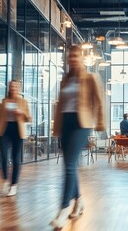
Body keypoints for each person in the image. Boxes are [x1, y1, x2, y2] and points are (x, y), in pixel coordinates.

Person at [50, 45, 105, 229]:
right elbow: (60, 105)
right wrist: (56, 127)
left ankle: (63, 209)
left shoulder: (91, 78)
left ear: (82, 58)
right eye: (70, 56)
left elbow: (99, 101)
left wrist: (100, 123)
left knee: (70, 165)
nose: (73, 59)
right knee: (69, 165)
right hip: (66, 123)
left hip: (82, 125)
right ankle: (79, 200)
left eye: (76, 56)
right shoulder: (65, 80)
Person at [0, 80, 31, 197]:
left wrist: (21, 113)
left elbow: (29, 118)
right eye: (11, 86)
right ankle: (5, 180)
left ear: (19, 88)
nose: (13, 88)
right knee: (3, 156)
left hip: (18, 131)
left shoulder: (23, 102)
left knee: (15, 159)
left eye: (15, 86)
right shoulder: (4, 102)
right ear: (9, 88)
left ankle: (13, 185)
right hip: (5, 130)